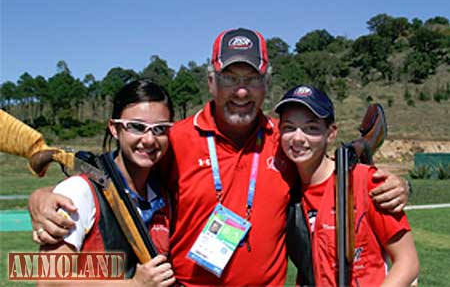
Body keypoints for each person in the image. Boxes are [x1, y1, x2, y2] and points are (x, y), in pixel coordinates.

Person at [28, 28, 411, 286]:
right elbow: (112, 175)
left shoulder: (287, 140)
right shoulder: (172, 138)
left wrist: (394, 183)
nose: (241, 92)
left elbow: (331, 173)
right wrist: (42, 197)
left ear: (266, 84)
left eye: (251, 80)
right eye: (230, 78)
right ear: (211, 81)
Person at [276, 84, 419, 286]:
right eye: (289, 127)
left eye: (311, 128)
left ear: (331, 132)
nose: (298, 138)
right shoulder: (285, 188)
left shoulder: (364, 181)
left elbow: (408, 262)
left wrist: (405, 185)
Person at [37, 80, 176, 286]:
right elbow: (48, 281)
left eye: (160, 129)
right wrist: (133, 285)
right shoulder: (79, 190)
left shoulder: (163, 191)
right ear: (114, 128)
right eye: (136, 127)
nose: (149, 139)